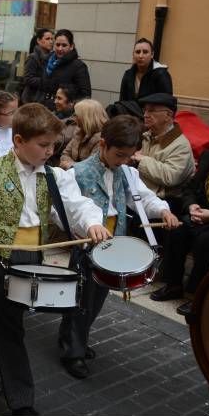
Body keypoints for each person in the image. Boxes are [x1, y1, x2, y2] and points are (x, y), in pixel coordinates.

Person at [0, 103, 109, 416]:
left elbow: (76, 206)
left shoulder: (56, 177)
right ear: (18, 141)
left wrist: (92, 223)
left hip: (33, 255)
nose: (49, 152)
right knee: (11, 326)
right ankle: (22, 401)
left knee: (5, 316)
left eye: (53, 146)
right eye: (43, 145)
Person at [60, 115, 178, 378]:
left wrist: (163, 211)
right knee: (80, 299)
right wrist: (84, 229)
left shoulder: (127, 171)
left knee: (97, 298)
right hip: (86, 244)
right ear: (102, 144)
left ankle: (74, 340)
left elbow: (142, 198)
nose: (123, 161)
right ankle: (72, 351)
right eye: (119, 155)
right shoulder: (77, 173)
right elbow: (66, 211)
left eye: (128, 156)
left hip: (114, 243)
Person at [150, 108, 209, 315]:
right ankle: (173, 284)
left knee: (207, 242)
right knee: (176, 229)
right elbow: (190, 188)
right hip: (205, 216)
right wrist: (191, 205)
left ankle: (200, 295)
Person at [130, 93, 195, 211]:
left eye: (151, 111)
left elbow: (170, 176)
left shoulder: (180, 145)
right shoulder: (146, 135)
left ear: (168, 115)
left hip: (165, 203)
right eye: (145, 110)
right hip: (140, 195)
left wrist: (142, 160)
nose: (145, 115)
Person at [33, 29, 91, 111]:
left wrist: (68, 108)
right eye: (57, 44)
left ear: (71, 46)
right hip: (43, 110)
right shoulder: (47, 61)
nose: (60, 48)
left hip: (63, 115)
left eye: (64, 45)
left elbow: (85, 96)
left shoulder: (78, 66)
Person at [119, 38, 172, 103]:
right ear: (133, 54)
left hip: (152, 112)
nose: (141, 56)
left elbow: (168, 102)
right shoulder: (128, 74)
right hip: (129, 112)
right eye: (137, 52)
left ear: (152, 54)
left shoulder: (161, 74)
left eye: (145, 52)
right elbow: (122, 101)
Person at [59, 99, 108, 169]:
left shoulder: (101, 138)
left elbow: (92, 167)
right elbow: (65, 154)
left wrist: (71, 165)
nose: (74, 118)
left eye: (76, 115)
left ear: (86, 118)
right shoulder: (79, 131)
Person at [20, 28, 53, 105]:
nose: (51, 42)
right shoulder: (33, 57)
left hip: (45, 100)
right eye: (47, 39)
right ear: (38, 40)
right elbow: (28, 79)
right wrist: (47, 82)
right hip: (31, 100)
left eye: (52, 39)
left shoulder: (52, 58)